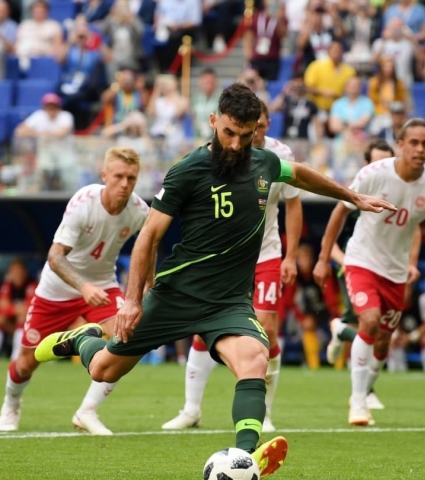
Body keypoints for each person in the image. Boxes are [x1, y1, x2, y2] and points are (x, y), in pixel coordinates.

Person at [33, 83, 393, 477]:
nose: (236, 145)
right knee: (104, 369)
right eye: (228, 133)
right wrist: (133, 300)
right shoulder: (188, 170)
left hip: (229, 302)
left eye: (246, 134)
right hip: (176, 295)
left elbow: (300, 175)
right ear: (213, 122)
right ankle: (82, 338)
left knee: (255, 358)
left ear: (257, 129)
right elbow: (148, 237)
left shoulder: (264, 163)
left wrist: (353, 196)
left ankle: (243, 458)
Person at [161, 98, 303, 434]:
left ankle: (264, 412)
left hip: (265, 253)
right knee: (204, 325)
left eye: (260, 128)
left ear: (261, 126)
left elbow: (293, 206)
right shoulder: (219, 155)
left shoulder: (279, 157)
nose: (253, 136)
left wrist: (292, 256)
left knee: (267, 330)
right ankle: (191, 409)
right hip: (225, 258)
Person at [0, 147, 150, 434]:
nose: (124, 184)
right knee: (27, 362)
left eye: (131, 178)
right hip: (56, 290)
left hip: (104, 286)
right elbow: (55, 256)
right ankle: (11, 404)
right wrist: (83, 286)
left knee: (130, 339)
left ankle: (87, 411)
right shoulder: (84, 202)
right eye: (118, 176)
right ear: (104, 175)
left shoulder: (139, 211)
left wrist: (148, 283)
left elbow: (149, 245)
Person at [313, 118, 425, 426]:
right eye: (413, 142)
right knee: (370, 320)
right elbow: (339, 211)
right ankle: (358, 401)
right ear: (400, 144)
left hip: (396, 272)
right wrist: (324, 257)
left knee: (384, 340)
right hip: (361, 261)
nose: (420, 149)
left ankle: (362, 385)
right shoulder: (373, 174)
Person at [325, 138, 408, 410]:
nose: (381, 166)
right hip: (355, 267)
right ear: (366, 163)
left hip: (388, 270)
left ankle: (340, 332)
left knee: (382, 336)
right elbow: (334, 236)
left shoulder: (398, 190)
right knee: (369, 324)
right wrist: (343, 262)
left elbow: (412, 227)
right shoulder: (355, 193)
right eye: (376, 161)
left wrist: (412, 261)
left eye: (386, 160)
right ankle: (362, 395)